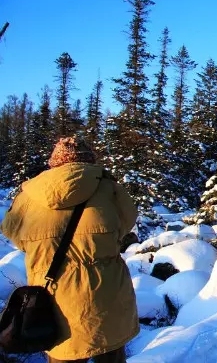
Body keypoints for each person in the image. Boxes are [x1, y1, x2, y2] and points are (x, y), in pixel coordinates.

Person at [0, 136, 139, 363]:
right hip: (107, 297)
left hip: (53, 301)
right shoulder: (109, 189)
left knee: (64, 354)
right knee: (111, 352)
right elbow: (126, 222)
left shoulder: (28, 195)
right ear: (89, 160)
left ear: (54, 162)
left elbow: (13, 233)